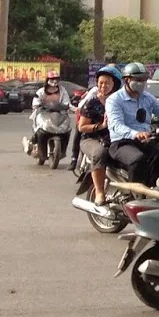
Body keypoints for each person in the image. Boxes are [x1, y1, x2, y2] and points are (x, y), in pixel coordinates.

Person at [105, 62, 159, 185]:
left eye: (144, 79)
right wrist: (135, 134)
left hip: (145, 141)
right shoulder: (114, 99)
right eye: (138, 79)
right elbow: (116, 125)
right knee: (138, 159)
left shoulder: (148, 98)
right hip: (121, 143)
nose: (142, 83)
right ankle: (135, 197)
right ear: (127, 80)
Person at [70, 66, 121, 213]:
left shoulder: (120, 101)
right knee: (99, 153)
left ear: (115, 84)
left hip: (113, 138)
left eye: (107, 83)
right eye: (100, 83)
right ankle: (99, 191)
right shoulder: (92, 102)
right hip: (91, 139)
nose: (103, 86)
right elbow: (82, 127)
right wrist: (101, 126)